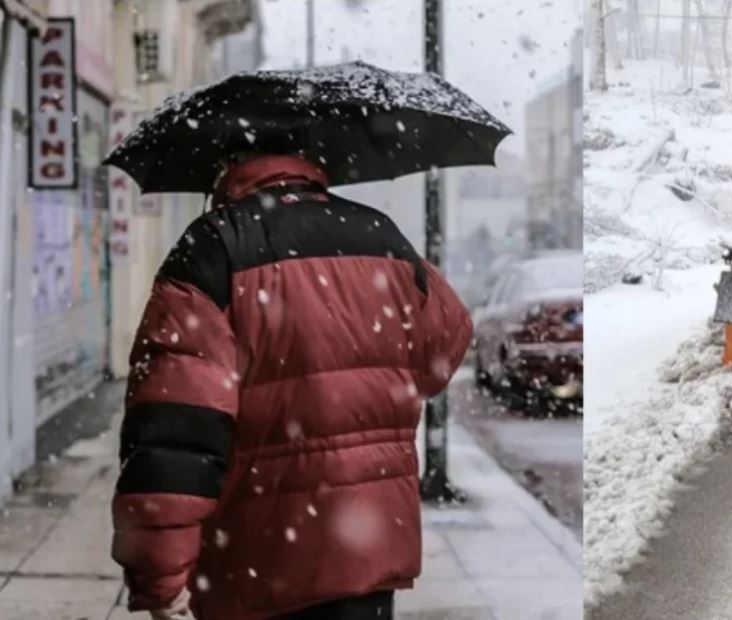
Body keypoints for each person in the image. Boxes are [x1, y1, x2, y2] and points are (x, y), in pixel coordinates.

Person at [110, 152, 472, 620]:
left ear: (230, 164)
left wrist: (159, 577)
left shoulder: (215, 244)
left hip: (258, 559)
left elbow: (177, 428)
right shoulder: (379, 233)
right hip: (370, 552)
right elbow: (444, 350)